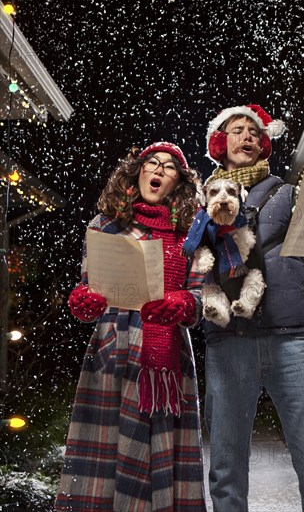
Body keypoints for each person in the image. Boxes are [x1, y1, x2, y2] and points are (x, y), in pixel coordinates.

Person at [201, 105, 304, 512]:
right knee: (225, 466)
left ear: (264, 144)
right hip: (227, 344)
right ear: (221, 142)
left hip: (293, 342)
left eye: (255, 132)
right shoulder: (199, 204)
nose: (248, 137)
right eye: (238, 130)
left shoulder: (293, 195)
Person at [55, 142, 206, 512]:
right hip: (114, 348)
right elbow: (90, 283)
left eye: (169, 167)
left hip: (166, 355)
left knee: (160, 450)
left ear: (179, 183)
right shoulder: (106, 223)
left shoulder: (190, 231)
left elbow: (201, 294)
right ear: (138, 170)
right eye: (152, 162)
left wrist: (184, 302)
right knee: (106, 447)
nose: (158, 170)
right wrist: (83, 299)